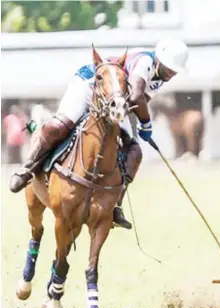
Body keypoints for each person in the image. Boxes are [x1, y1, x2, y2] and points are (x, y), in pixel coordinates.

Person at [9, 37, 189, 230]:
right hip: (90, 85)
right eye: (169, 68)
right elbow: (136, 94)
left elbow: (137, 102)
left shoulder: (160, 77)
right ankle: (27, 168)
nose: (171, 73)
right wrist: (146, 124)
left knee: (134, 152)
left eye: (175, 71)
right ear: (159, 60)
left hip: (114, 102)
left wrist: (131, 128)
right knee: (61, 126)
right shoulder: (145, 62)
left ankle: (115, 204)